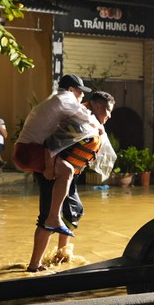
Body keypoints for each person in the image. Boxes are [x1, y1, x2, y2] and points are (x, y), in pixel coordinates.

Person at [25, 91, 115, 273]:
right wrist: (49, 168)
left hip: (68, 175)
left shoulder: (91, 122)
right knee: (47, 217)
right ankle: (34, 266)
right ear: (97, 106)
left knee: (74, 210)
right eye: (108, 110)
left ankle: (61, 256)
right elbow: (51, 143)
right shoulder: (81, 122)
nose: (109, 115)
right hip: (53, 174)